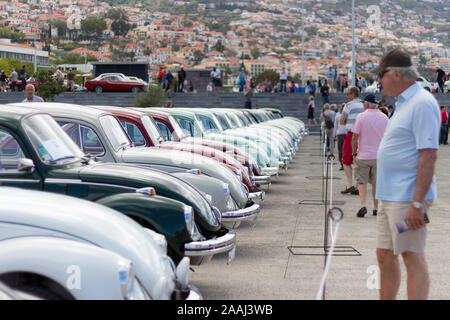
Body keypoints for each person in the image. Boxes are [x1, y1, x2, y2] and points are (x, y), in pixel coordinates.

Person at [371, 47, 440, 300]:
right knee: (384, 255)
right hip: (390, 197)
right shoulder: (402, 104)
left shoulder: (422, 103)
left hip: (407, 197)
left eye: (382, 74)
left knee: (411, 255)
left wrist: (417, 203)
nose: (379, 80)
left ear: (397, 74)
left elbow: (429, 155)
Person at [351, 94, 388, 218]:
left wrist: (354, 152)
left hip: (363, 155)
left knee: (362, 182)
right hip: (379, 156)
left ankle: (363, 205)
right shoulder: (384, 118)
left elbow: (354, 137)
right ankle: (376, 207)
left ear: (366, 104)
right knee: (376, 183)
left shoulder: (361, 117)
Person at [340, 86, 364, 195]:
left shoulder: (348, 105)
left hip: (351, 135)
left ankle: (350, 185)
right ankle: (358, 186)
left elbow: (342, 121)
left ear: (353, 95)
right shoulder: (364, 104)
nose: (347, 96)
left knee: (345, 160)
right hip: (363, 136)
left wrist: (349, 123)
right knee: (359, 161)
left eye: (348, 94)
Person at [334, 104, 347, 170]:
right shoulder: (337, 115)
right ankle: (342, 163)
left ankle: (346, 163)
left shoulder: (347, 114)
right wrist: (335, 134)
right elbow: (335, 125)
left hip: (346, 133)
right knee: (340, 150)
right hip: (340, 133)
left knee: (346, 149)